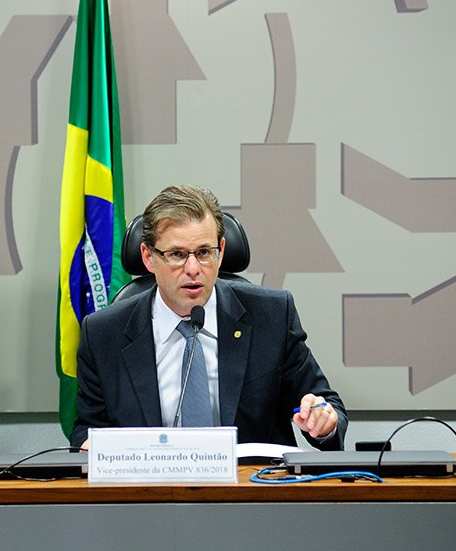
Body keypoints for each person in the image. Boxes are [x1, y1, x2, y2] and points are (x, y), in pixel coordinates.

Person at [71, 184, 346, 450]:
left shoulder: (271, 316)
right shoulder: (104, 333)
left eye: (204, 253)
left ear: (221, 251)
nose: (193, 268)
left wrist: (323, 421)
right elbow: (87, 429)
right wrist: (89, 446)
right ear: (148, 257)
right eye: (177, 254)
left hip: (252, 489)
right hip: (149, 492)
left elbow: (326, 405)